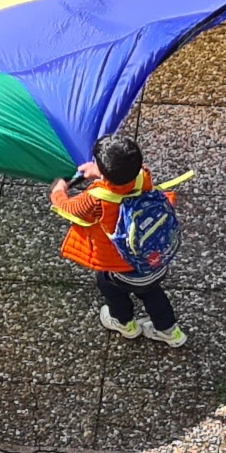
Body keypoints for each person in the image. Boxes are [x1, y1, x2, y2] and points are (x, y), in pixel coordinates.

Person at [48, 133, 187, 348]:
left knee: (111, 290)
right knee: (152, 294)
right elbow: (124, 179)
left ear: (105, 174)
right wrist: (100, 173)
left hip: (121, 269)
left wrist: (58, 191)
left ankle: (124, 324)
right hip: (155, 260)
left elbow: (69, 208)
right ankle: (170, 331)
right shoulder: (143, 176)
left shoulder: (96, 200)